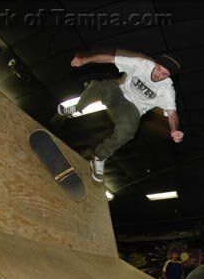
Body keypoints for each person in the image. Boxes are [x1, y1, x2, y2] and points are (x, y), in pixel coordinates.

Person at [58, 48, 183, 182]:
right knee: (99, 85)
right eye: (158, 69)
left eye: (164, 74)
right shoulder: (141, 64)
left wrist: (174, 129)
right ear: (156, 64)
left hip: (133, 110)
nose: (158, 75)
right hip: (118, 93)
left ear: (168, 76)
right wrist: (85, 59)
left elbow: (172, 112)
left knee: (127, 132)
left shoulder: (167, 89)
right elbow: (111, 58)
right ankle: (77, 108)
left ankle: (99, 157)